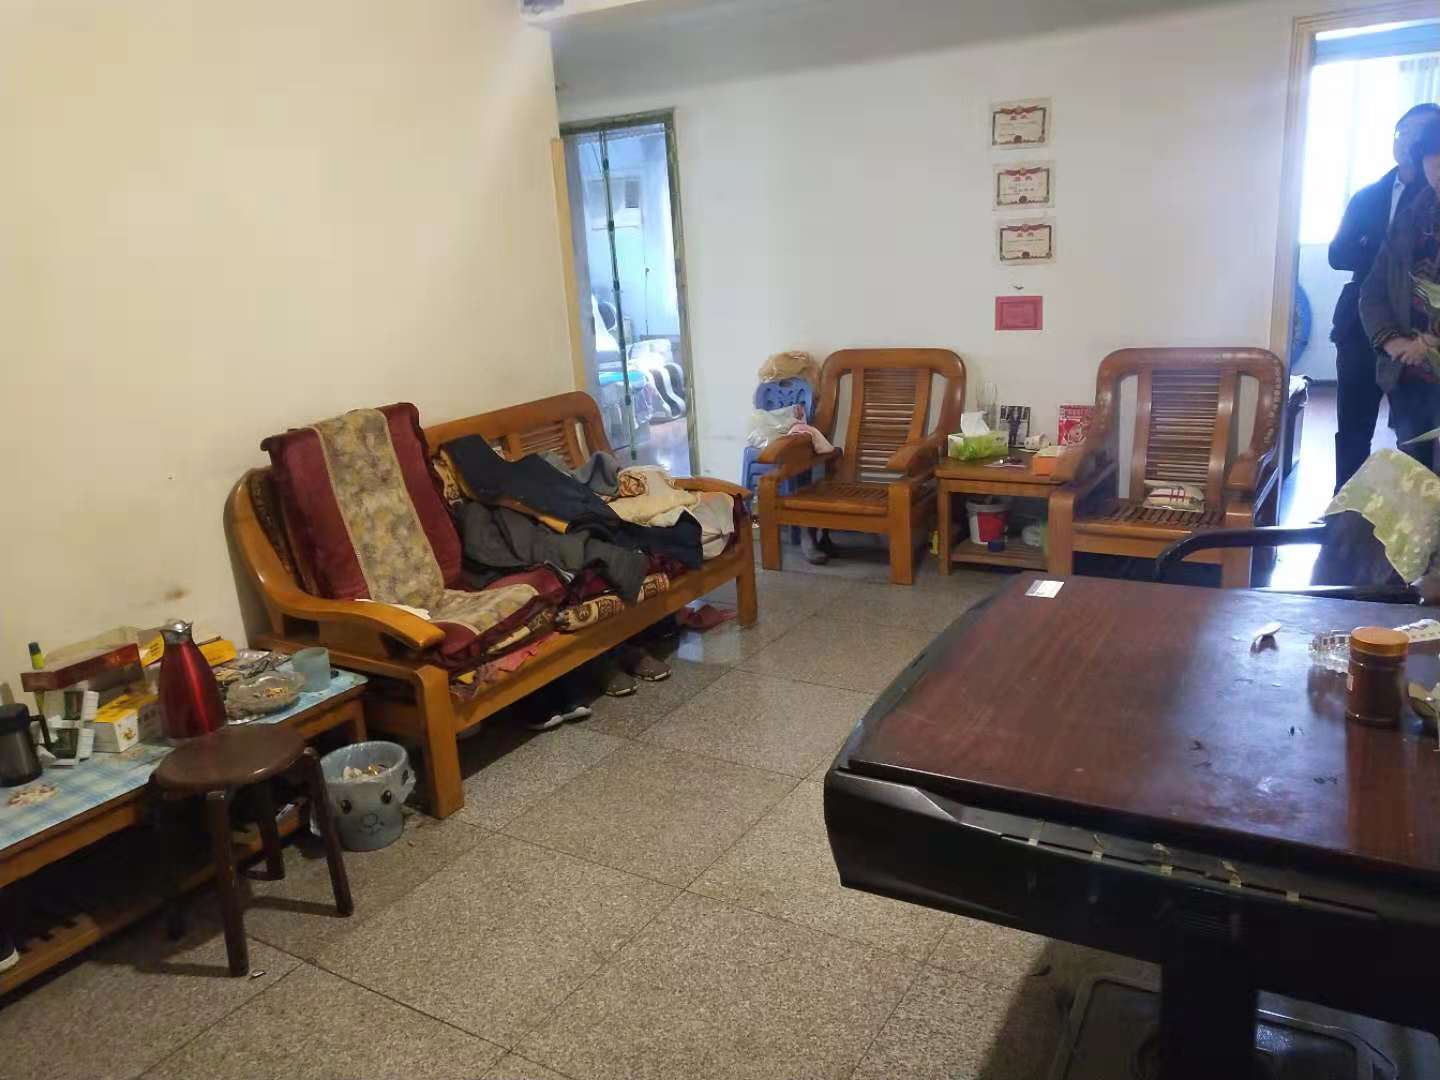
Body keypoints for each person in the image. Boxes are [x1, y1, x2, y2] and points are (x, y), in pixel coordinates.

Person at [1329, 102, 1440, 490]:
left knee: (1413, 438)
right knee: (1353, 426)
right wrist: (1385, 258)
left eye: (1421, 133)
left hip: (1420, 341)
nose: (1409, 141)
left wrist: (1426, 340)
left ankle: (1414, 515)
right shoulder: (1371, 196)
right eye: (1402, 132)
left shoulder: (1426, 199)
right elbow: (1338, 254)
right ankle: (1344, 506)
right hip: (1363, 327)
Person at [1361, 112, 1440, 470]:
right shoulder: (1410, 217)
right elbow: (1372, 290)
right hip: (1410, 372)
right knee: (1414, 471)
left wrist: (1431, 340)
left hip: (1427, 352)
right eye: (1431, 157)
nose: (1436, 167)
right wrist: (1394, 342)